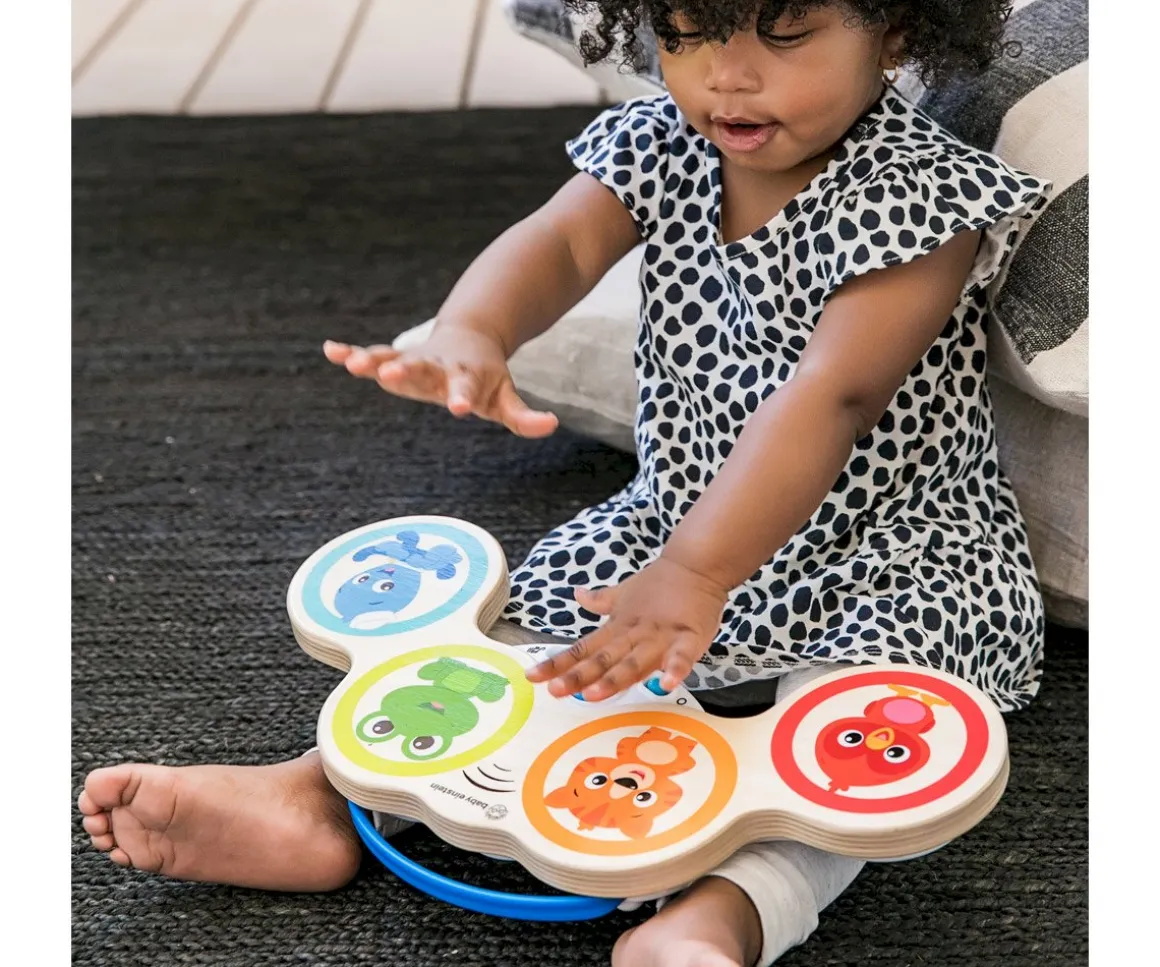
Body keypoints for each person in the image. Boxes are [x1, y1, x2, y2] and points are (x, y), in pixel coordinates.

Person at [78, 3, 1051, 965]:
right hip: (672, 527)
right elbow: (559, 243)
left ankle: (727, 912)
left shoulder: (923, 197)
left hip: (888, 554)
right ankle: (322, 794)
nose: (727, 74)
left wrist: (699, 573)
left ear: (895, 29)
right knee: (527, 655)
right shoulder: (663, 141)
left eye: (782, 33)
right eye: (686, 33)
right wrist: (473, 330)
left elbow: (830, 398)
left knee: (859, 742)